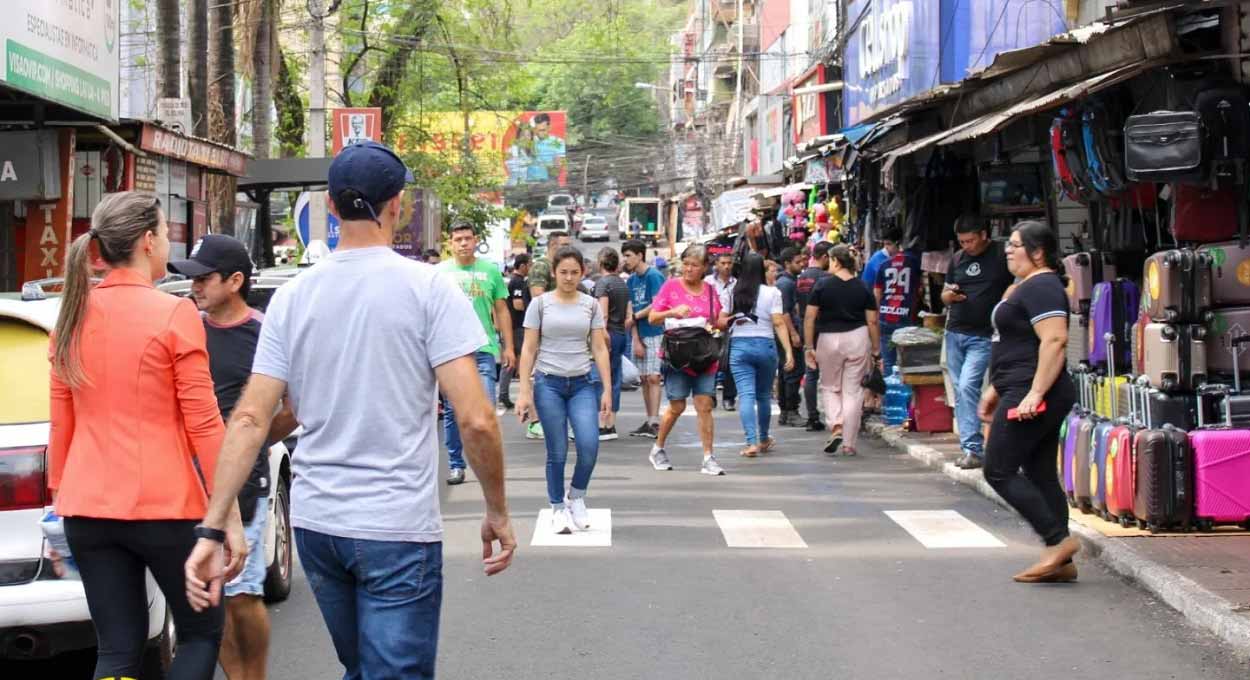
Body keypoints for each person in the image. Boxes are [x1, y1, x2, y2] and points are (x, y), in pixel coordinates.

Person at [184, 141, 515, 679]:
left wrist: (213, 525)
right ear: (397, 205)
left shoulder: (293, 297)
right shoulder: (429, 288)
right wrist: (497, 510)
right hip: (395, 525)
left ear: (332, 207)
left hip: (319, 525)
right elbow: (476, 418)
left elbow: (249, 419)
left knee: (363, 666)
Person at [48, 192, 229, 679]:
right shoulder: (173, 313)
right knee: (200, 634)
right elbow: (204, 423)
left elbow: (62, 421)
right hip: (166, 507)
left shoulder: (71, 315)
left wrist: (58, 501)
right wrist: (226, 515)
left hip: (86, 510)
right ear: (148, 241)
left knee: (117, 651)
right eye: (166, 233)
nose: (168, 241)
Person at [167, 234, 300, 680]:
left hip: (244, 484)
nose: (194, 287)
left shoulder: (264, 333)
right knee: (212, 596)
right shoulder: (186, 328)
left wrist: (250, 445)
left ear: (236, 281)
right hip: (187, 480)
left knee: (242, 595)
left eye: (203, 279)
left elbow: (294, 408)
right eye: (192, 279)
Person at [977, 220, 1079, 583]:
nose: (1007, 250)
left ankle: (1057, 542)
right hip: (1019, 387)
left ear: (1038, 252)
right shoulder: (1028, 286)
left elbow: (1054, 340)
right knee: (1038, 471)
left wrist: (1034, 394)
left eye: (1015, 244)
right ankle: (1062, 563)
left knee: (998, 469)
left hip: (1032, 391)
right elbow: (1014, 343)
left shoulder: (1042, 286)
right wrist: (995, 388)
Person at [515, 247, 614, 533]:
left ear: (583, 272)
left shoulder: (590, 305)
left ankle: (577, 496)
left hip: (582, 383)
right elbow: (528, 349)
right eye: (563, 272)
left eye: (574, 272)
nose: (569, 278)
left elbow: (599, 348)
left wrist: (607, 390)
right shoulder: (540, 305)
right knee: (556, 450)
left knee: (589, 445)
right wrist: (524, 391)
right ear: (554, 273)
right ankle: (557, 506)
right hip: (549, 384)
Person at [438, 223, 516, 485]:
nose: (463, 243)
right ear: (450, 242)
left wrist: (509, 347)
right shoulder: (439, 273)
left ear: (476, 240)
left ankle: (489, 465)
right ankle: (456, 464)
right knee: (453, 411)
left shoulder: (490, 270)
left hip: (483, 350)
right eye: (458, 239)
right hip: (452, 353)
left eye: (468, 238)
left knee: (486, 411)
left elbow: (502, 310)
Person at [647, 245, 725, 475]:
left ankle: (708, 457)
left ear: (704, 268)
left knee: (705, 405)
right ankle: (658, 448)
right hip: (677, 356)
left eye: (695, 265)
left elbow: (716, 320)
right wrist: (672, 312)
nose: (689, 269)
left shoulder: (710, 290)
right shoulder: (671, 286)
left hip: (704, 356)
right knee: (677, 406)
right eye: (686, 264)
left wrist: (726, 321)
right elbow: (652, 317)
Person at [945, 214, 1013, 470]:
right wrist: (950, 296)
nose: (966, 246)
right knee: (961, 392)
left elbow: (1018, 284)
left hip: (983, 335)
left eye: (970, 241)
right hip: (954, 332)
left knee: (967, 386)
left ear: (984, 235)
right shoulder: (957, 259)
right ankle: (970, 448)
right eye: (962, 242)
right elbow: (944, 294)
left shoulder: (1002, 255)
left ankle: (975, 447)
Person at [805, 245, 881, 456]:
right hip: (857, 338)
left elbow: (810, 317)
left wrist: (809, 346)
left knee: (830, 387)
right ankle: (849, 444)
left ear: (836, 261)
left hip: (828, 339)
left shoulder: (822, 285)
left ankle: (837, 425)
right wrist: (876, 349)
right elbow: (872, 321)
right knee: (853, 391)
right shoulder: (863, 286)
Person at [719, 253, 794, 457]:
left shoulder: (731, 291)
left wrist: (734, 319)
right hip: (765, 345)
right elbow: (778, 322)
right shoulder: (772, 292)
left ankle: (751, 442)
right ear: (762, 269)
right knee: (763, 396)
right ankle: (764, 438)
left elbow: (721, 321)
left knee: (746, 395)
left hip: (740, 346)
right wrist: (788, 351)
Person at [623, 239, 666, 438]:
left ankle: (655, 421)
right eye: (624, 256)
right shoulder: (631, 281)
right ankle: (650, 420)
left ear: (640, 255)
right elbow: (631, 309)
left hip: (655, 332)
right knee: (643, 378)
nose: (625, 260)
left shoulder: (654, 276)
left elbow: (657, 304)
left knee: (654, 377)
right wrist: (635, 337)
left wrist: (635, 317)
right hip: (639, 334)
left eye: (628, 255)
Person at [595, 247, 633, 439]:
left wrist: (603, 334)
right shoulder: (622, 284)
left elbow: (602, 314)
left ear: (600, 263)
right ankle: (611, 423)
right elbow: (629, 315)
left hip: (606, 334)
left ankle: (602, 423)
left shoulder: (603, 283)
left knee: (601, 378)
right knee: (615, 378)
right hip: (620, 333)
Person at [872, 228, 922, 375]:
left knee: (888, 363)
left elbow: (877, 294)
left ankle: (889, 388)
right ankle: (904, 389)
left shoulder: (883, 265)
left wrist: (876, 317)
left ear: (898, 243)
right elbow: (920, 290)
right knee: (907, 363)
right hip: (906, 317)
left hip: (885, 317)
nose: (886, 249)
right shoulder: (914, 262)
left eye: (888, 244)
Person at [796, 241, 834, 432]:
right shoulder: (827, 278)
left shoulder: (802, 277)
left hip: (806, 327)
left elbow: (798, 306)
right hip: (824, 327)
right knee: (830, 374)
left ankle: (813, 416)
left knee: (811, 373)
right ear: (825, 257)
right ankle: (834, 416)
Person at [775, 247, 806, 426]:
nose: (802, 264)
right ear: (787, 263)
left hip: (786, 332)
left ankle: (786, 411)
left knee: (786, 371)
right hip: (788, 332)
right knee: (793, 371)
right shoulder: (786, 284)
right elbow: (784, 312)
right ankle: (791, 410)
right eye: (797, 262)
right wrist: (793, 333)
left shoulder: (788, 281)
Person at [705, 251, 738, 411]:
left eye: (729, 263)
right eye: (723, 263)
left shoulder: (736, 283)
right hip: (709, 326)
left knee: (730, 361)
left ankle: (729, 397)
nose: (726, 266)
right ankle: (710, 394)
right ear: (716, 265)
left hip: (730, 326)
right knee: (710, 360)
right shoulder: (707, 282)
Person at [499, 253, 532, 411]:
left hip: (515, 326)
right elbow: (517, 304)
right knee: (513, 360)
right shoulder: (518, 282)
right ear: (523, 265)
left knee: (515, 360)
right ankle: (504, 394)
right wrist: (532, 310)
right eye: (529, 265)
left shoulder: (516, 281)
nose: (530, 268)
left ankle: (505, 394)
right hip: (517, 325)